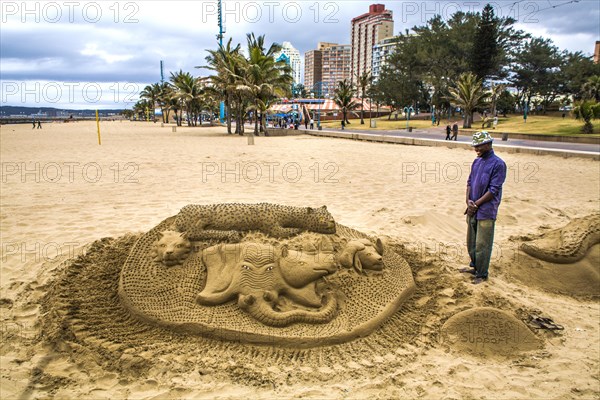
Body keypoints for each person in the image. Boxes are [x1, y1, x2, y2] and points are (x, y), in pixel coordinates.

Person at [462, 131, 507, 284]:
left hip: (486, 210)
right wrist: (468, 201)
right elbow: (469, 183)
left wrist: (477, 204)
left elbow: (493, 190)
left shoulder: (498, 164)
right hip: (472, 208)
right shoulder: (476, 162)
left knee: (482, 243)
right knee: (471, 241)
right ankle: (474, 266)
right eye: (475, 146)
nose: (476, 149)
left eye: (479, 146)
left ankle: (482, 274)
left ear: (488, 145)